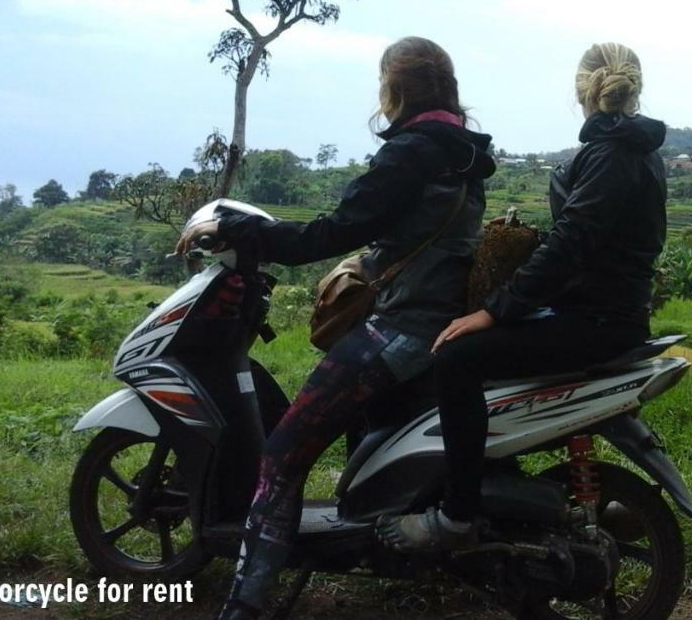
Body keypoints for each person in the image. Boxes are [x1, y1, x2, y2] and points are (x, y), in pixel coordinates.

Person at [175, 37, 496, 620]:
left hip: (403, 329)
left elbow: (331, 234)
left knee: (282, 454)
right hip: (444, 323)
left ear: (393, 89)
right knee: (366, 440)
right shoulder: (464, 153)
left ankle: (245, 605)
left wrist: (240, 231)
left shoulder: (412, 152)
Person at [379, 42, 667, 551]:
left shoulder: (611, 153)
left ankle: (457, 516)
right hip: (605, 310)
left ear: (581, 88)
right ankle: (497, 491)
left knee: (456, 357)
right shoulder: (636, 149)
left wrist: (495, 310)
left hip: (597, 319)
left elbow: (572, 242)